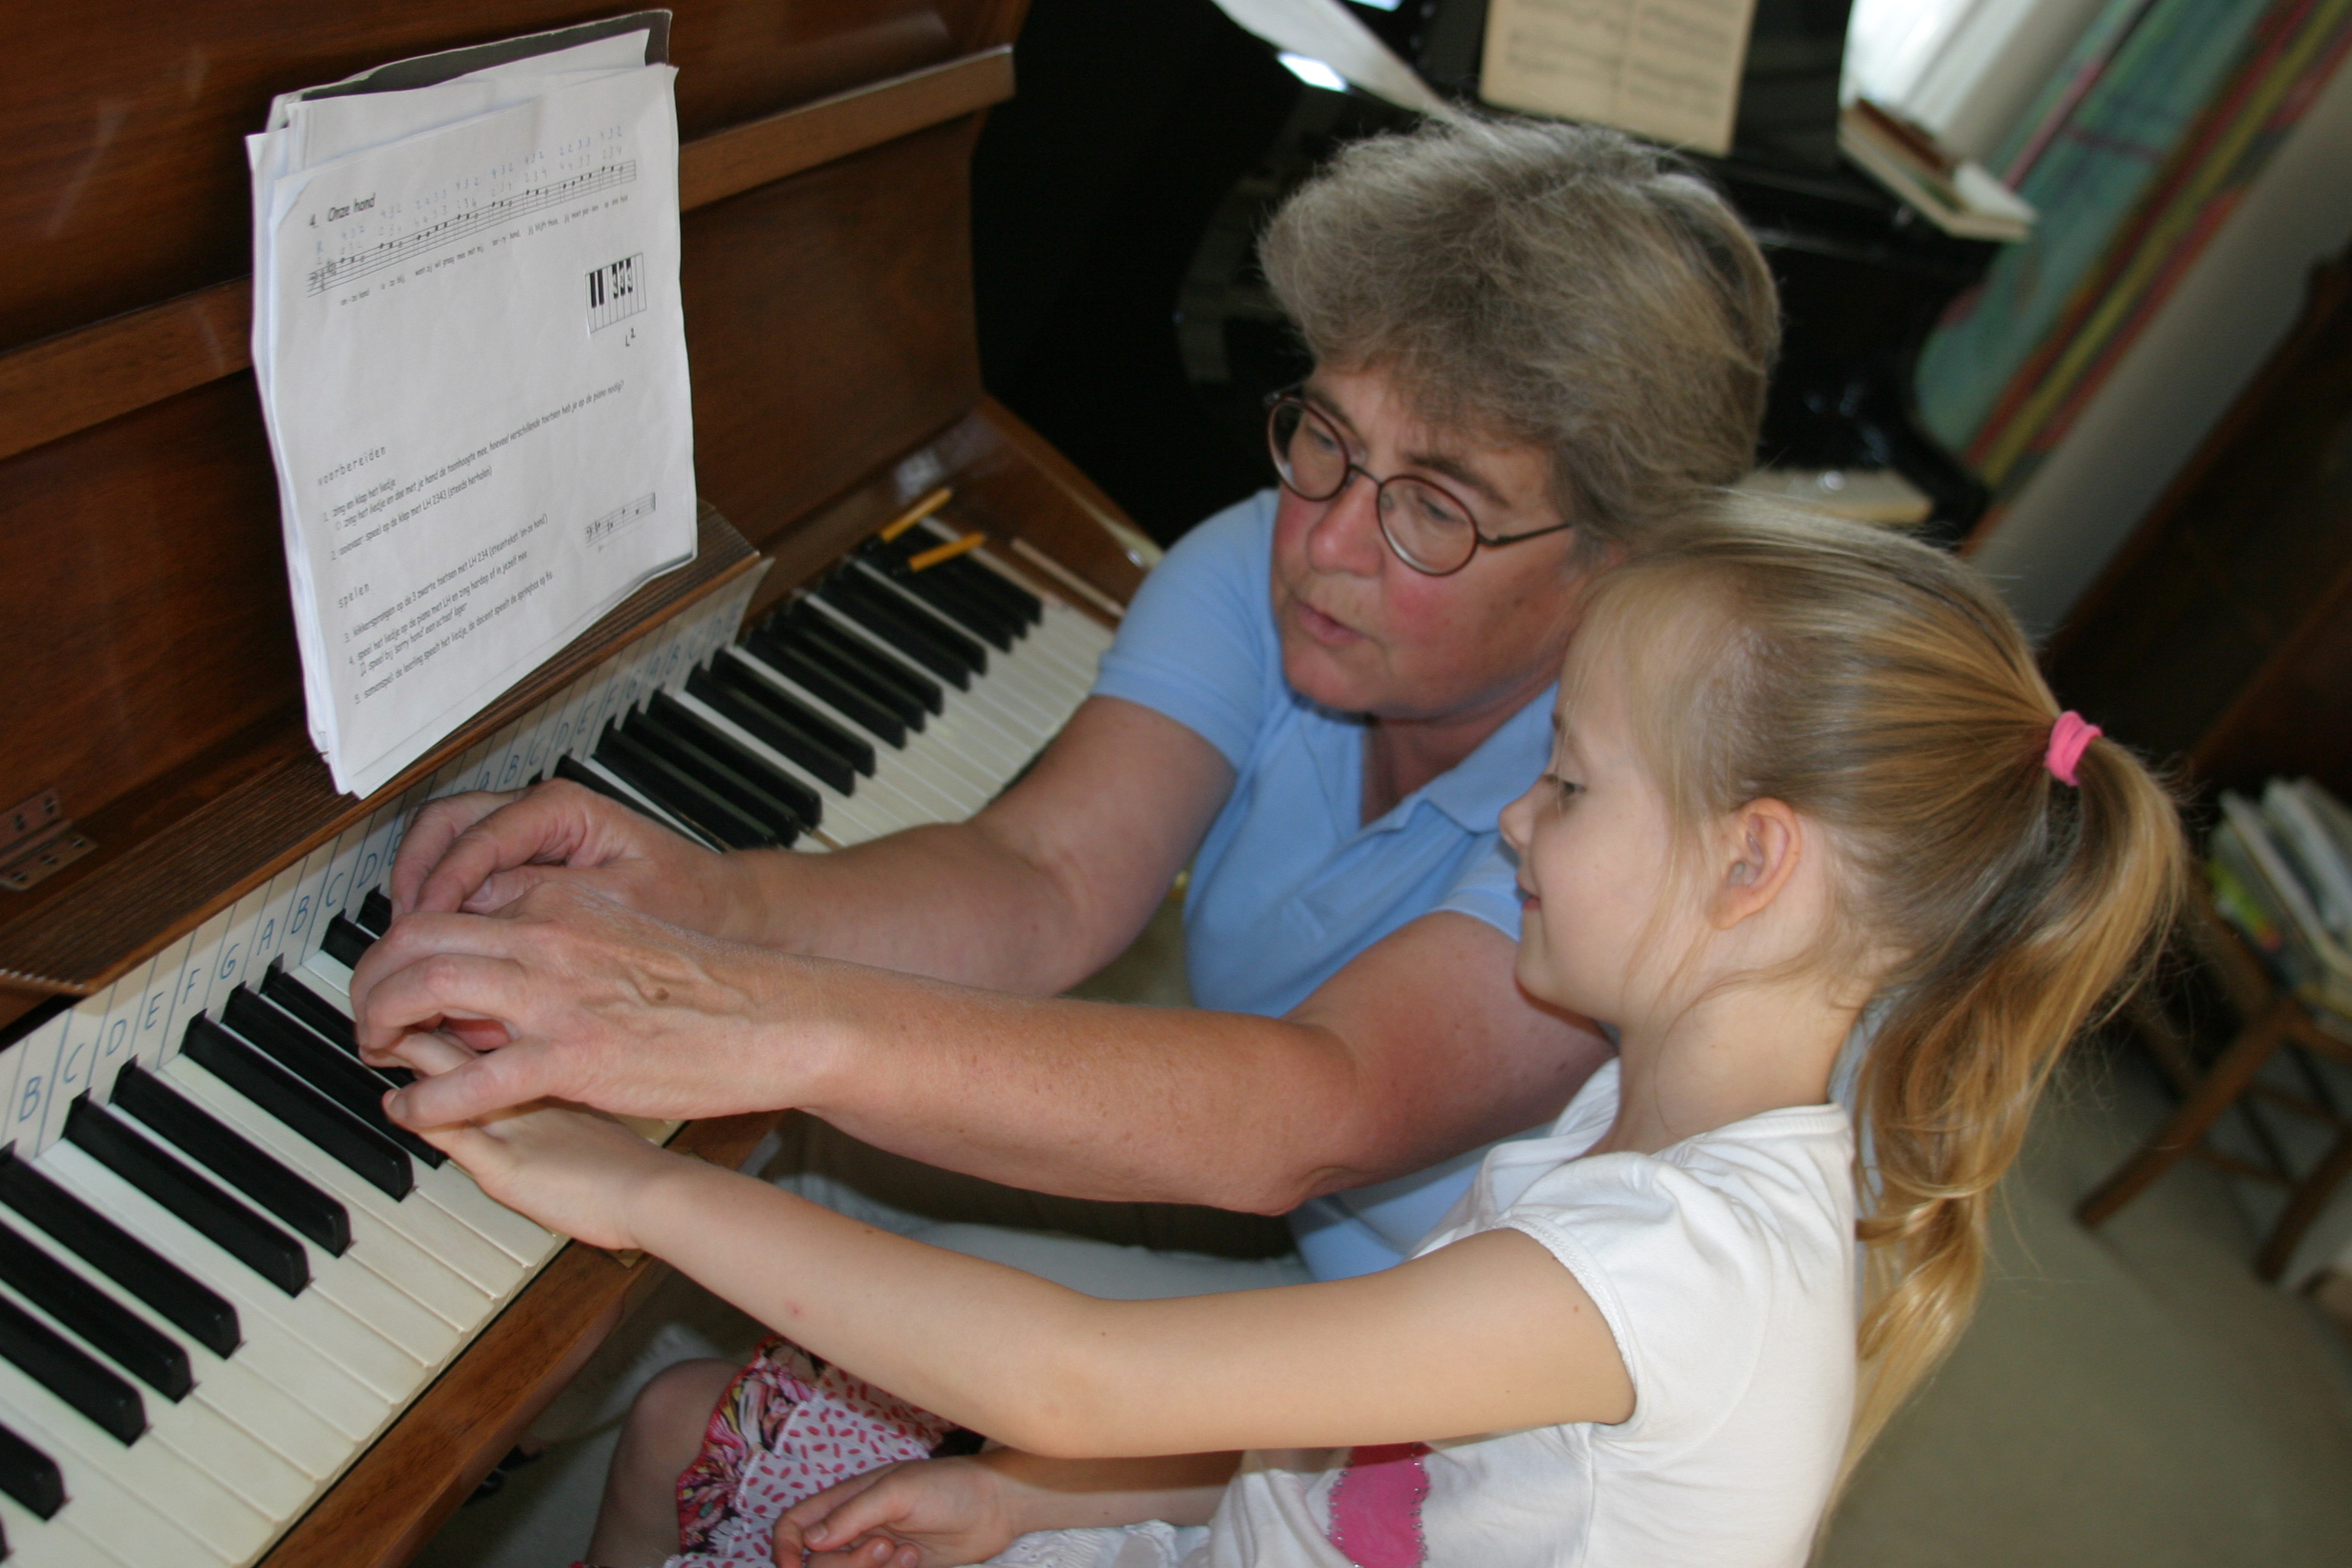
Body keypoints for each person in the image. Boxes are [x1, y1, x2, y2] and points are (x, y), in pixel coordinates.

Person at [382, 498, 2184, 1568]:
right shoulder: (1662, 1124)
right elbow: (1343, 1446)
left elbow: (1081, 1369)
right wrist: (1031, 1499)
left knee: (697, 1420)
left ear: (1750, 867)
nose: (1511, 826)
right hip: (1203, 1537)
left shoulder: (1682, 1268)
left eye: (1568, 784)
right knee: (702, 1427)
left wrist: (647, 1191)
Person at [354, 116, 1781, 1286]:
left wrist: (744, 1012)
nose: (1331, 540)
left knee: (748, 1356)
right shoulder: (1281, 561)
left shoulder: (1639, 804)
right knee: (775, 1281)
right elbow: (1043, 876)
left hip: (1464, 1379)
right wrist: (711, 905)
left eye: (1437, 511)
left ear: (1616, 565)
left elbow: (1319, 1106)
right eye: (1328, 441)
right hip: (1301, 1245)